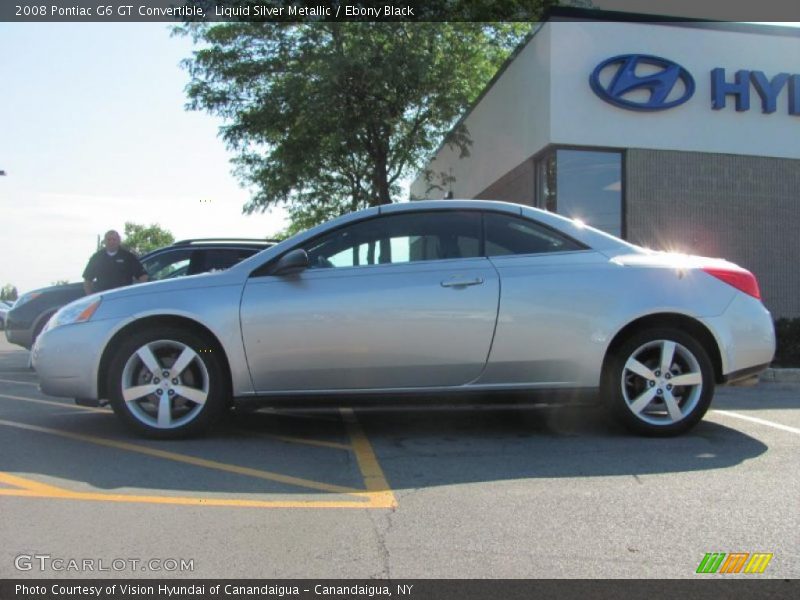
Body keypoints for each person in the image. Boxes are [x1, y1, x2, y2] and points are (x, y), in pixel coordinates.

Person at [82, 230, 148, 295]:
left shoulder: (128, 256)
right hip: (103, 297)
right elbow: (87, 279)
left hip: (123, 296)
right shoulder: (97, 257)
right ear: (104, 241)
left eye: (114, 239)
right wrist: (90, 296)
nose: (111, 242)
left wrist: (136, 294)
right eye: (109, 240)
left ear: (119, 241)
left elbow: (143, 276)